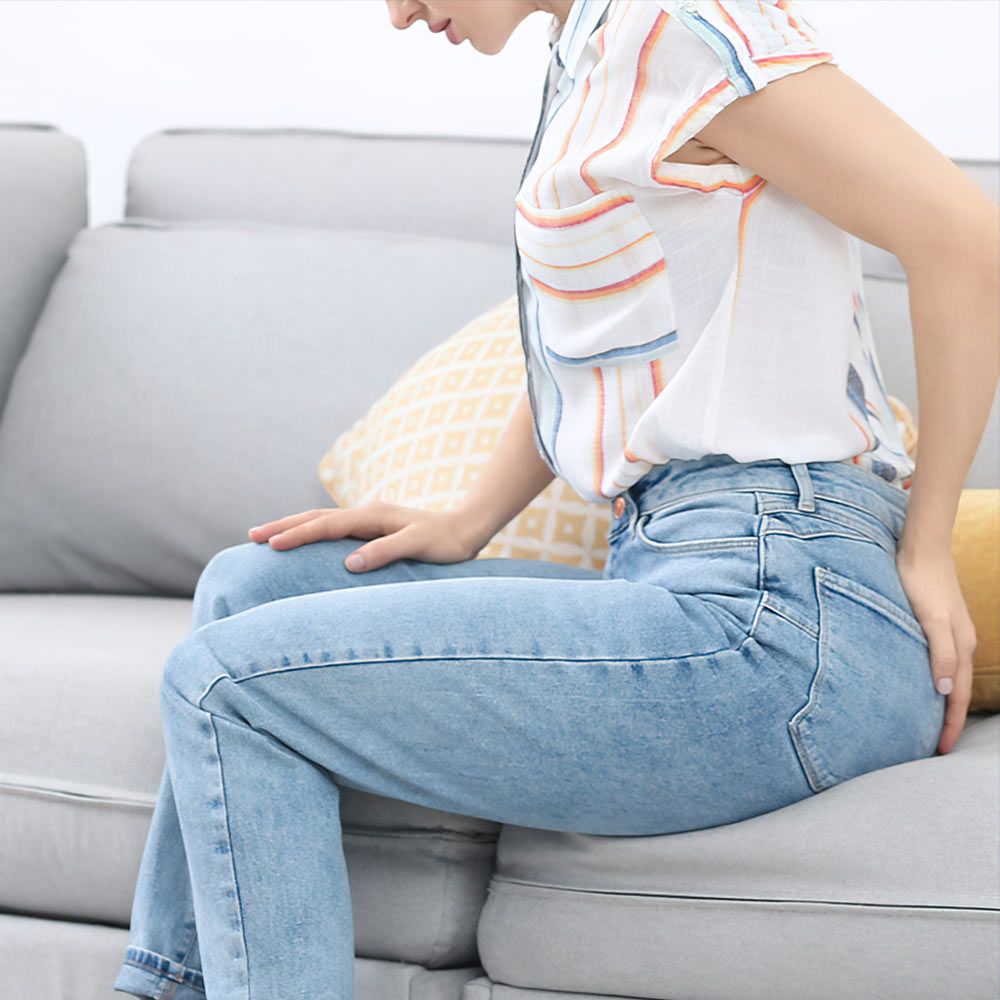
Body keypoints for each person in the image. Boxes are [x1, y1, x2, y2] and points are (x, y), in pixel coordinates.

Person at [113, 1, 997, 997]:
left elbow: (964, 235)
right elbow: (603, 356)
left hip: (782, 618)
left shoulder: (683, 26)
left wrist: (926, 544)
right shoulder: (591, 58)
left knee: (222, 681)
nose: (398, 14)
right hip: (675, 567)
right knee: (248, 587)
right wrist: (465, 520)